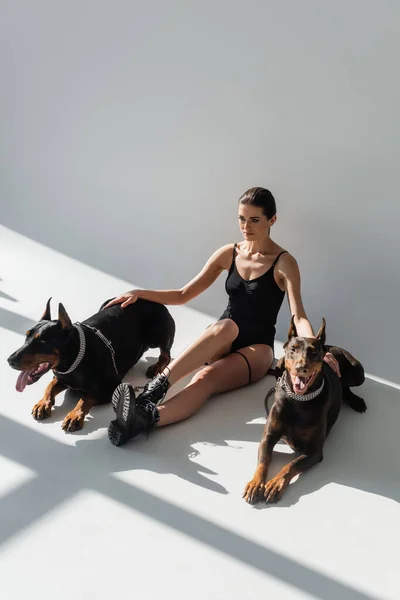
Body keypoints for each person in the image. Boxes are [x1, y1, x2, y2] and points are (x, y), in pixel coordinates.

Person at [104, 187, 339, 446]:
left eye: (254, 220)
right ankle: (153, 391)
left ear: (272, 220)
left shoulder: (284, 263)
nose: (245, 226)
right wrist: (140, 293)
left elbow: (298, 316)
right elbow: (183, 294)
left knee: (204, 378)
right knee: (225, 326)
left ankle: (142, 420)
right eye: (241, 218)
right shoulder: (230, 253)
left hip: (256, 349)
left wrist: (317, 347)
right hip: (222, 337)